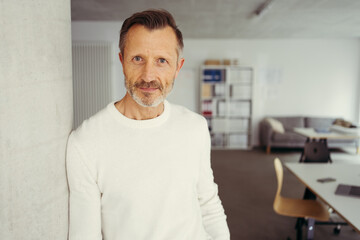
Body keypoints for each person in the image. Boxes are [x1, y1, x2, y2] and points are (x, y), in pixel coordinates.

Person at [66, 9, 230, 240]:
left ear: (177, 67)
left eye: (162, 61)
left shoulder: (195, 127)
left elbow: (208, 203)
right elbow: (84, 235)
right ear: (122, 60)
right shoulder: (85, 142)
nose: (148, 75)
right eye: (138, 59)